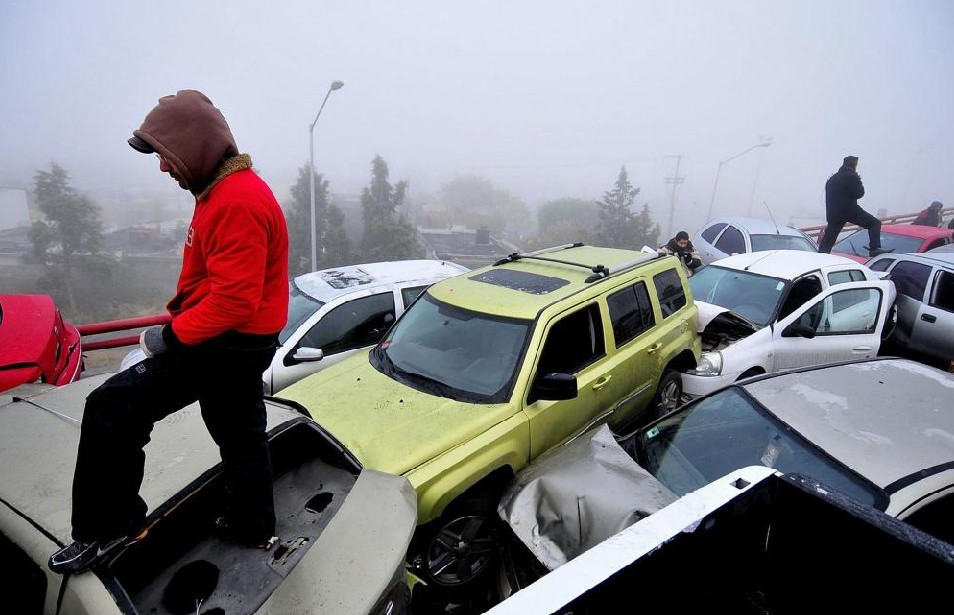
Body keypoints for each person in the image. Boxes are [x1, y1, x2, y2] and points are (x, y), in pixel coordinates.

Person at [48, 90, 290, 574]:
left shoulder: (236, 200)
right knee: (240, 434)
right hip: (244, 341)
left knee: (111, 409)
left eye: (166, 156)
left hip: (225, 343)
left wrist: (171, 337)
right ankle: (254, 524)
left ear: (197, 147)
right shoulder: (225, 191)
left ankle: (106, 527)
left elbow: (232, 300)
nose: (163, 168)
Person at [817, 155, 892, 256]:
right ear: (854, 165)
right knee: (874, 223)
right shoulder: (852, 176)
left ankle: (820, 256)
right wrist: (858, 180)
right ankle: (874, 248)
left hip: (833, 214)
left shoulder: (832, 179)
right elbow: (859, 193)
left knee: (829, 239)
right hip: (849, 210)